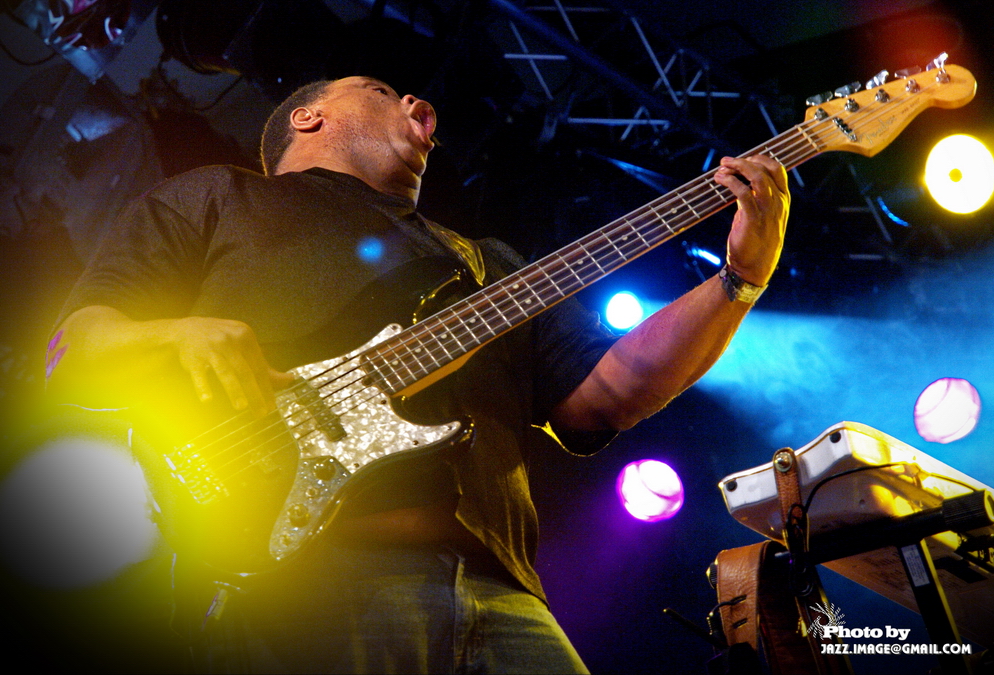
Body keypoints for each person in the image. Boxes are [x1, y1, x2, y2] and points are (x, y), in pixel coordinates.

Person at [44, 75, 789, 674]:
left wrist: (741, 279)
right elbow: (77, 353)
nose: (415, 104)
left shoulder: (485, 264)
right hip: (298, 589)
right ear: (308, 118)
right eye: (379, 91)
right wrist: (182, 334)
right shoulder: (214, 197)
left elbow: (614, 389)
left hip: (504, 598)